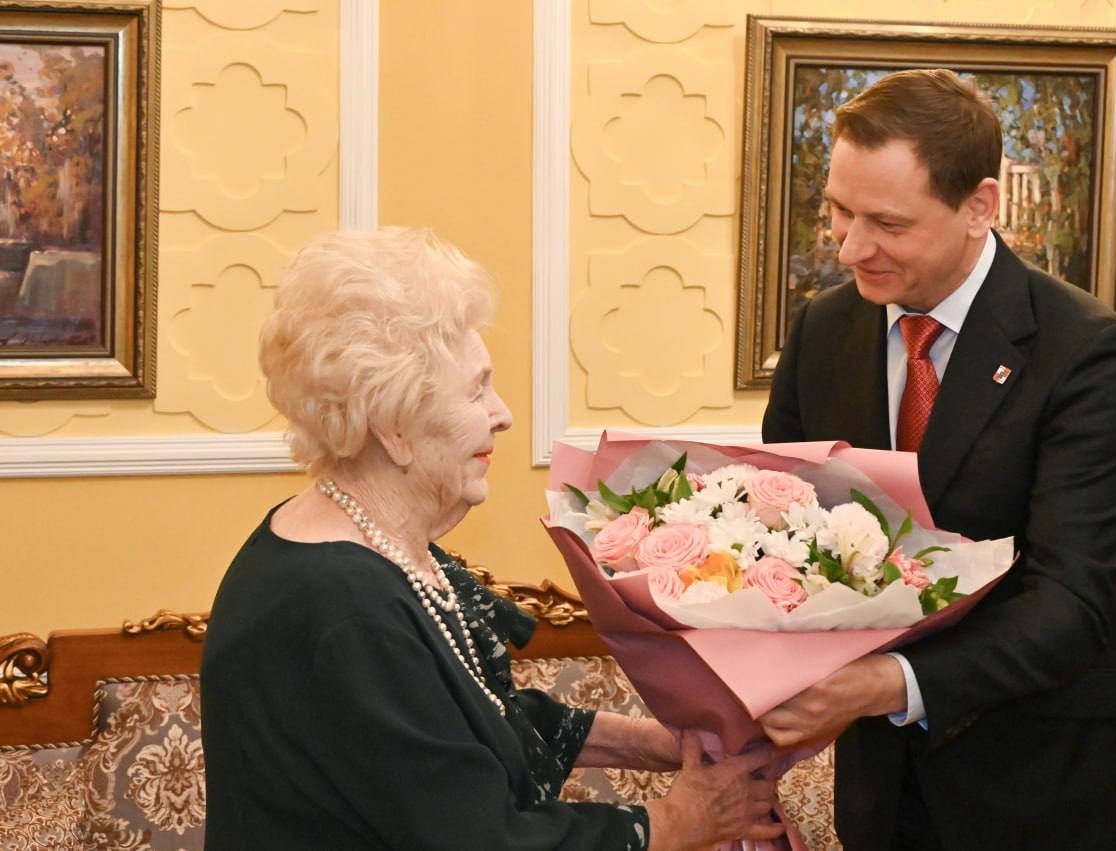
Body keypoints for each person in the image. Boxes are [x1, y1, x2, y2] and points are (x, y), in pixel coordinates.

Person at [200, 228, 784, 850]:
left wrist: (663, 744)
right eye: (476, 389)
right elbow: (483, 839)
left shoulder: (375, 550)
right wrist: (679, 821)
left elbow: (469, 722)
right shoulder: (345, 606)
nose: (502, 413)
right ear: (393, 424)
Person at [759, 69, 1116, 850]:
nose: (850, 246)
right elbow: (781, 531)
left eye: (887, 222)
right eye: (840, 210)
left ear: (979, 206)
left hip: (1055, 789)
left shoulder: (1087, 351)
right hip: (888, 795)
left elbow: (1072, 602)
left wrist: (886, 683)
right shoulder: (823, 330)